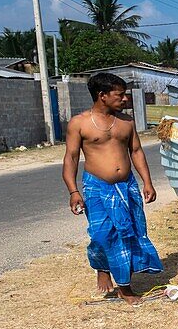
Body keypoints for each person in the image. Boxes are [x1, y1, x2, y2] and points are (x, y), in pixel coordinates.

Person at [62, 72, 163, 305]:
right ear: (102, 96)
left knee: (127, 233)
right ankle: (101, 266)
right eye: (120, 95)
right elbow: (70, 158)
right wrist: (73, 191)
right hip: (96, 187)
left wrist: (147, 181)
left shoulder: (126, 121)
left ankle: (125, 288)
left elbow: (136, 151)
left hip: (126, 187)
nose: (125, 99)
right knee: (101, 233)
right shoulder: (80, 123)